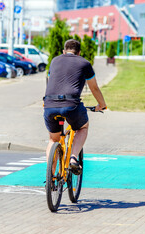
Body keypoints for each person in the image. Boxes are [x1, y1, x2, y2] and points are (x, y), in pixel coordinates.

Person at [43, 39, 107, 174]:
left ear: (63, 51)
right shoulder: (84, 63)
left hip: (49, 104)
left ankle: (51, 176)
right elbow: (94, 88)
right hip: (71, 105)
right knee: (83, 127)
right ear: (79, 52)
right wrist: (102, 105)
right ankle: (73, 158)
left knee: (52, 139)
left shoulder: (54, 61)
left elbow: (50, 81)